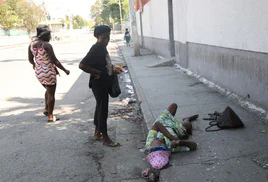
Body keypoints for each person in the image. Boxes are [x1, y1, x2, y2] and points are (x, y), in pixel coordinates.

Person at [79, 25, 123, 147]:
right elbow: (82, 65)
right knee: (103, 110)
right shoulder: (96, 48)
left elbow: (102, 64)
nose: (106, 40)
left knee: (100, 107)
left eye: (108, 37)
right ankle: (106, 138)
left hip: (103, 83)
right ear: (97, 37)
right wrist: (97, 73)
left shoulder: (102, 47)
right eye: (103, 38)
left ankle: (97, 132)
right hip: (98, 84)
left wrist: (112, 67)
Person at [142, 103, 198, 181]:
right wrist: (179, 142)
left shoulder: (149, 142)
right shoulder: (171, 147)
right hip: (175, 129)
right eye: (162, 143)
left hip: (162, 123)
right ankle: (187, 119)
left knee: (173, 106)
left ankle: (182, 121)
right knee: (188, 125)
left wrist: (171, 138)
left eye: (157, 142)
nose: (161, 139)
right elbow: (194, 146)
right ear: (165, 148)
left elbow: (158, 124)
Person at [28, 25, 70, 122]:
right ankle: (51, 116)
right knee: (51, 94)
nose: (50, 37)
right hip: (48, 73)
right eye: (49, 34)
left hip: (39, 73)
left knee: (48, 90)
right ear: (45, 35)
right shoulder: (46, 45)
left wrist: (35, 64)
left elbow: (30, 60)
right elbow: (55, 61)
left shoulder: (31, 45)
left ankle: (47, 109)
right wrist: (65, 70)